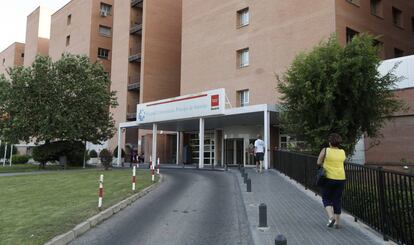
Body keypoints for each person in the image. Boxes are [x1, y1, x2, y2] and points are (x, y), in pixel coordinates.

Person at [317, 133, 346, 228]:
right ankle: (337, 223)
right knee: (337, 199)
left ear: (330, 143)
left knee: (326, 198)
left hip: (328, 178)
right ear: (339, 143)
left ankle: (331, 217)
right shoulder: (342, 152)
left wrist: (324, 164)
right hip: (341, 178)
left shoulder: (326, 150)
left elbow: (318, 162)